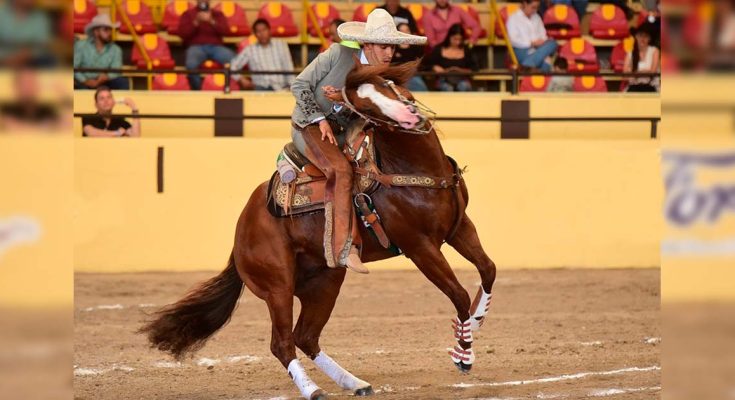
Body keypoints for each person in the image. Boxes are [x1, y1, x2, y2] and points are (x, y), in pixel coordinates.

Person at [290, 9, 426, 274]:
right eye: (385, 47)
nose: (389, 54)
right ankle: (344, 247)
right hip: (308, 126)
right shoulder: (336, 55)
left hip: (345, 133)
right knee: (341, 170)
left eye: (393, 48)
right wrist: (320, 119)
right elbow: (299, 85)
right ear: (368, 44)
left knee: (372, 167)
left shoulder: (379, 78)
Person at [179, 0, 235, 90]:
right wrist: (196, 22)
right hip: (196, 47)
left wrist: (212, 21)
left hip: (216, 47)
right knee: (191, 64)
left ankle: (228, 89)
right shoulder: (188, 14)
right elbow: (183, 34)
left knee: (235, 61)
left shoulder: (218, 14)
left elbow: (226, 31)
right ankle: (199, 91)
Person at [230, 19, 295, 91]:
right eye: (258, 31)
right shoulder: (250, 50)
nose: (262, 34)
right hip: (260, 89)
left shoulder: (281, 45)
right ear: (255, 34)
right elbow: (233, 66)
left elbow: (289, 68)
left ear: (269, 31)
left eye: (264, 30)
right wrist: (241, 79)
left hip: (281, 88)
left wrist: (292, 88)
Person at [73, 14, 127, 90]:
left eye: (110, 30)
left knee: (121, 82)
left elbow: (116, 70)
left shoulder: (116, 49)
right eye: (106, 30)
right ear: (96, 32)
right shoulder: (81, 46)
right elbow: (74, 67)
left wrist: (106, 76)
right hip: (83, 82)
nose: (110, 33)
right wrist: (86, 81)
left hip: (105, 82)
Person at [507, 0, 558, 72]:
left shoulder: (537, 17)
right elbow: (513, 41)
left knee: (553, 43)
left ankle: (527, 65)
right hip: (521, 50)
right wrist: (531, 43)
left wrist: (542, 42)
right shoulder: (513, 18)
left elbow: (543, 34)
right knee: (546, 62)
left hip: (539, 48)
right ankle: (530, 67)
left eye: (537, 8)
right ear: (525, 4)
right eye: (533, 7)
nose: (535, 10)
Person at [0, 0, 54, 67]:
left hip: (32, 61)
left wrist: (22, 57)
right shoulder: (2, 14)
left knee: (49, 60)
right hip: (3, 59)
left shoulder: (41, 17)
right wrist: (7, 60)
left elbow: (41, 45)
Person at [426, 23, 477, 91]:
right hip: (443, 80)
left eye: (460, 39)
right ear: (449, 37)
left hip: (461, 79)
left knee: (463, 86)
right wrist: (434, 67)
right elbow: (427, 65)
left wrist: (460, 70)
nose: (457, 42)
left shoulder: (466, 50)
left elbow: (474, 69)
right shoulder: (438, 49)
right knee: (447, 88)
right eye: (455, 39)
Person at [624, 22, 660, 92]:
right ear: (636, 37)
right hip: (633, 87)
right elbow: (625, 75)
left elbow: (653, 72)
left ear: (649, 38)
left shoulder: (655, 51)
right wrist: (645, 72)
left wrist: (634, 73)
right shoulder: (630, 53)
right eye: (640, 35)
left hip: (650, 87)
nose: (642, 39)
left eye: (646, 36)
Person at [393, 23, 429, 92]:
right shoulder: (393, 48)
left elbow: (423, 64)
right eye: (402, 31)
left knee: (420, 86)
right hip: (397, 76)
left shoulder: (417, 47)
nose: (405, 33)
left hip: (414, 75)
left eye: (407, 31)